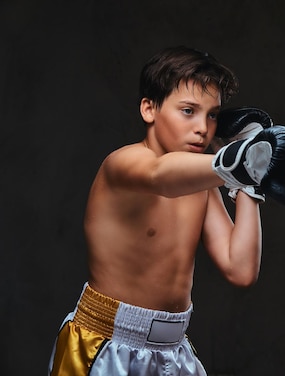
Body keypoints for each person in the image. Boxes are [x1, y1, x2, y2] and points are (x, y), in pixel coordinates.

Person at [48, 46, 265, 376]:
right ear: (149, 109)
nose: (203, 128)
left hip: (174, 352)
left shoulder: (205, 183)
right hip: (105, 345)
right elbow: (161, 177)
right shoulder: (122, 164)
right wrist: (235, 163)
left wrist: (250, 183)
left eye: (212, 115)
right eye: (188, 111)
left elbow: (241, 269)